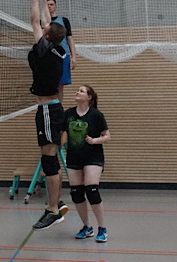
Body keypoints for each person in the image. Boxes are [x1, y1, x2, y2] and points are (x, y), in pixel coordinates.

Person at [28, 0, 70, 231]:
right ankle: (57, 202)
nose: (43, 27)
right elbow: (45, 21)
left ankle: (53, 209)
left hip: (47, 109)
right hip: (54, 108)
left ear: (46, 36)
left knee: (49, 159)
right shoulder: (58, 50)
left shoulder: (44, 50)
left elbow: (35, 20)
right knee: (51, 158)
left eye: (45, 29)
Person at [64, 85, 110, 243]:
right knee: (76, 193)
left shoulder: (96, 115)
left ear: (89, 97)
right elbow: (62, 133)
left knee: (91, 189)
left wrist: (94, 140)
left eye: (81, 91)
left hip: (93, 157)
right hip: (74, 157)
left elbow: (107, 136)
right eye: (77, 90)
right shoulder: (68, 114)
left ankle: (102, 228)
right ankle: (87, 227)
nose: (77, 92)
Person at [46, 0, 76, 102]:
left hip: (63, 56)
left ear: (56, 7)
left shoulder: (63, 20)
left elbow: (70, 39)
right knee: (49, 84)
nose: (49, 6)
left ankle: (59, 107)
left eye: (51, 4)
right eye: (47, 5)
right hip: (48, 57)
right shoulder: (43, 22)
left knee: (60, 85)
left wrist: (73, 57)